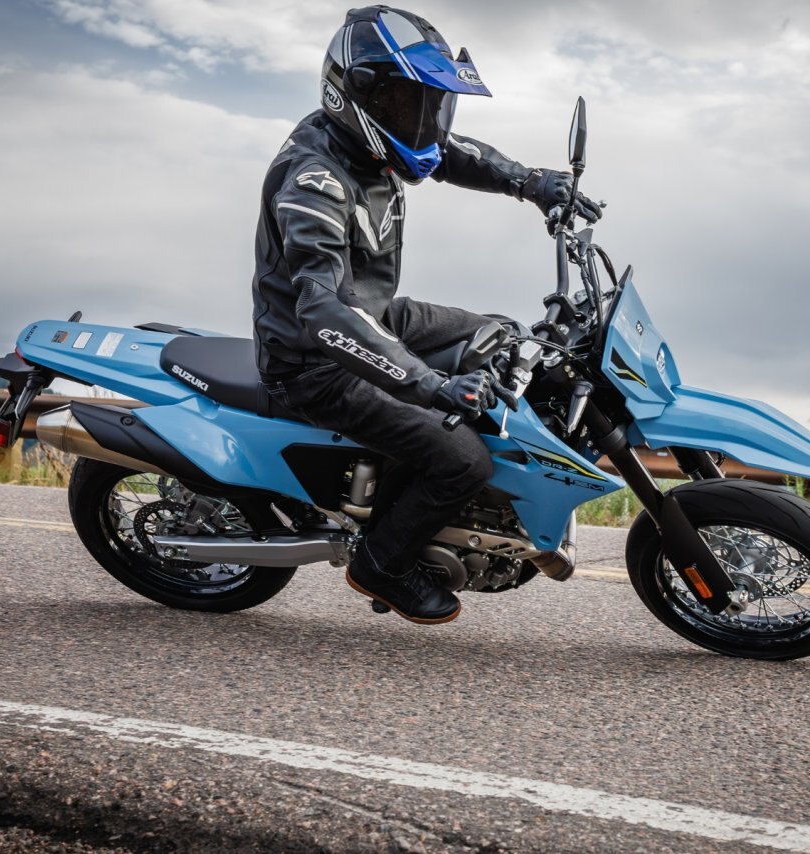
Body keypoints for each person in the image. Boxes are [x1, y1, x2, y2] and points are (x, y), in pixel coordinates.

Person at [252, 6, 602, 625]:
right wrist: (432, 386)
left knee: (500, 335)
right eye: (407, 102)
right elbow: (324, 309)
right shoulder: (314, 182)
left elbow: (453, 154)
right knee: (463, 459)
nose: (424, 122)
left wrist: (531, 183)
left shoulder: (369, 141)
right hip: (314, 360)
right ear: (358, 93)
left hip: (376, 313)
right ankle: (382, 563)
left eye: (431, 105)